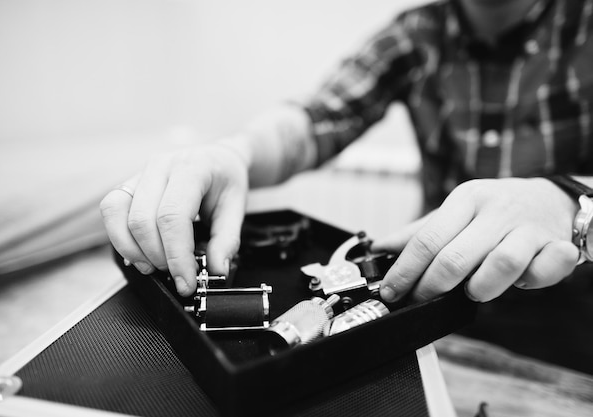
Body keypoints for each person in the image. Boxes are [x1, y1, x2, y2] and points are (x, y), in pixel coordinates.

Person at [100, 0, 593, 305]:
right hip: (436, 306)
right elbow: (318, 120)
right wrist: (234, 153)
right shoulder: (416, 31)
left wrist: (572, 201)